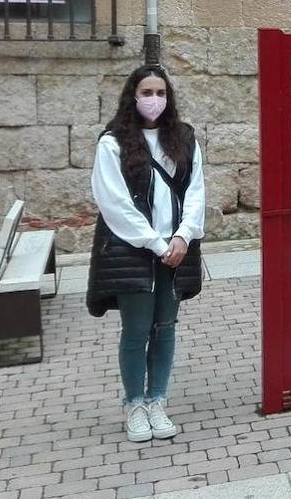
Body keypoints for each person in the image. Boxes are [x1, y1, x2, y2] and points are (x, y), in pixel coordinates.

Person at [86, 65, 206, 442]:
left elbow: (195, 191)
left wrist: (184, 236)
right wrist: (155, 242)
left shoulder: (183, 139)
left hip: (176, 249)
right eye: (146, 92)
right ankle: (135, 404)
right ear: (132, 97)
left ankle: (158, 400)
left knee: (165, 328)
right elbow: (114, 202)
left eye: (160, 92)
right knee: (136, 331)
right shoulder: (113, 143)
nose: (154, 100)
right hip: (135, 250)